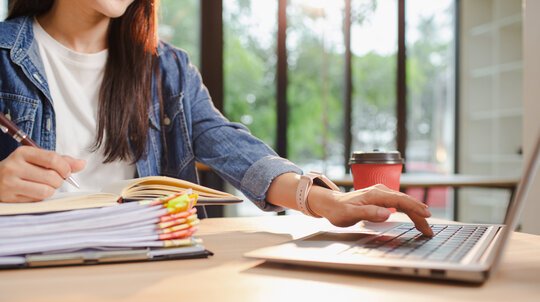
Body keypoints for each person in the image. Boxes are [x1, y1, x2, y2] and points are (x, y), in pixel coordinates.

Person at [0, 0, 433, 236]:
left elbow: (229, 145)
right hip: (35, 265)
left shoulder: (166, 69)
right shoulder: (5, 54)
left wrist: (323, 200)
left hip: (150, 261)